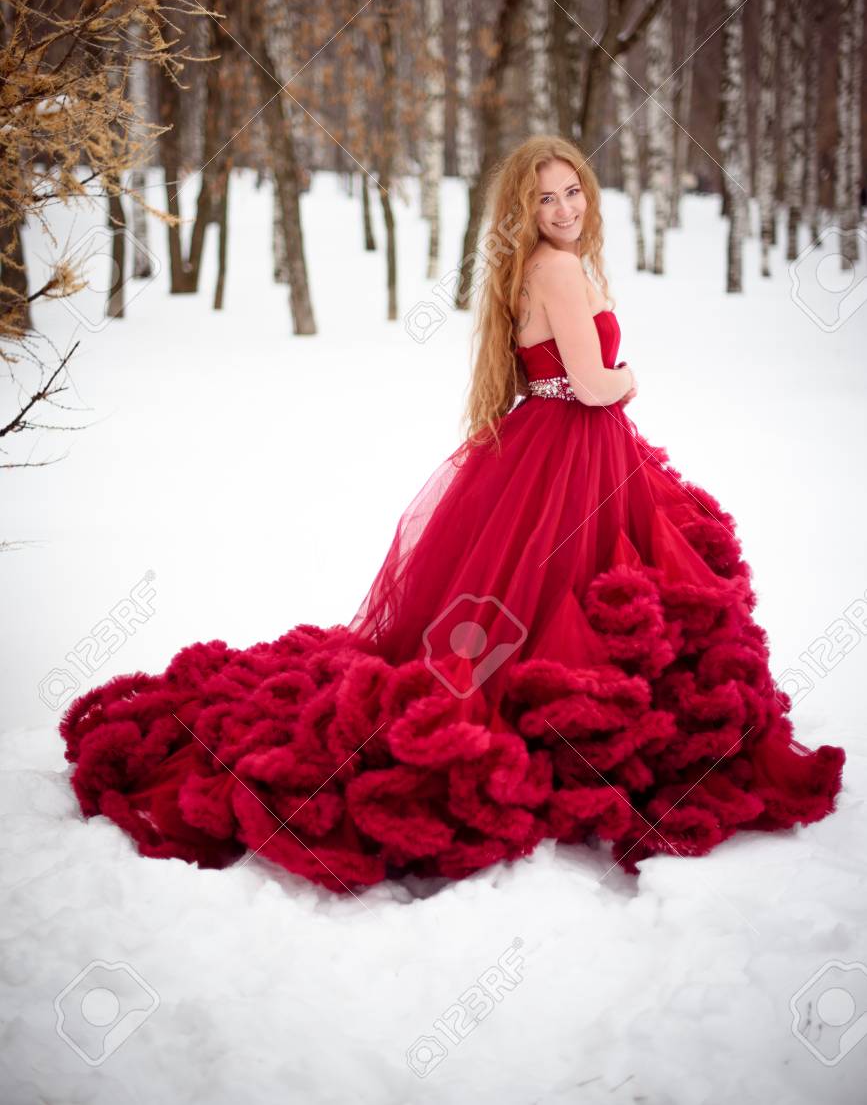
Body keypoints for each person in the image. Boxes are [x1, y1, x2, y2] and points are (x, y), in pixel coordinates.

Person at [59, 134, 846, 894]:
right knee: (564, 595)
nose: (565, 207)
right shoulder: (559, 270)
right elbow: (595, 383)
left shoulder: (539, 265)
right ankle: (563, 721)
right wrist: (629, 373)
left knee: (544, 599)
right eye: (546, 198)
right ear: (525, 208)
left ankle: (559, 707)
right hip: (572, 445)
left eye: (573, 190)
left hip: (563, 445)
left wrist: (603, 380)